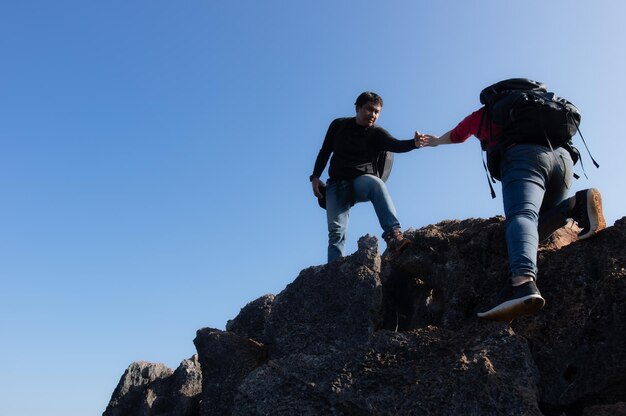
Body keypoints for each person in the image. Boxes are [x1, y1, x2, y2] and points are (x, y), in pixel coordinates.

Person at [417, 102, 606, 323]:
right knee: (535, 228)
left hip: (524, 157)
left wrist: (436, 141)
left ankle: (522, 283)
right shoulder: (540, 106)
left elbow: (458, 135)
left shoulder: (487, 113)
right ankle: (575, 204)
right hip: (564, 160)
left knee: (522, 216)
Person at [310, 91, 421, 262]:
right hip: (336, 185)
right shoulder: (338, 125)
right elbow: (325, 151)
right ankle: (334, 271)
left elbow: (395, 145)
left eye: (377, 112)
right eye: (369, 109)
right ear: (357, 107)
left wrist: (414, 143)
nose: (373, 115)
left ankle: (393, 236)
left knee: (375, 184)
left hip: (359, 183)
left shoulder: (377, 133)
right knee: (336, 234)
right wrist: (315, 177)